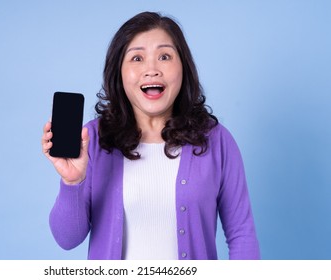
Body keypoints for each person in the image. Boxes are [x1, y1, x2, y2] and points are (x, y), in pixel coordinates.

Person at [41, 11, 260, 260]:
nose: (152, 69)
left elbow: (242, 236)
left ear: (183, 68)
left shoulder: (216, 141)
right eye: (137, 58)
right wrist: (73, 183)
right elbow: (66, 240)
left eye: (164, 56)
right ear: (120, 74)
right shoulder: (93, 139)